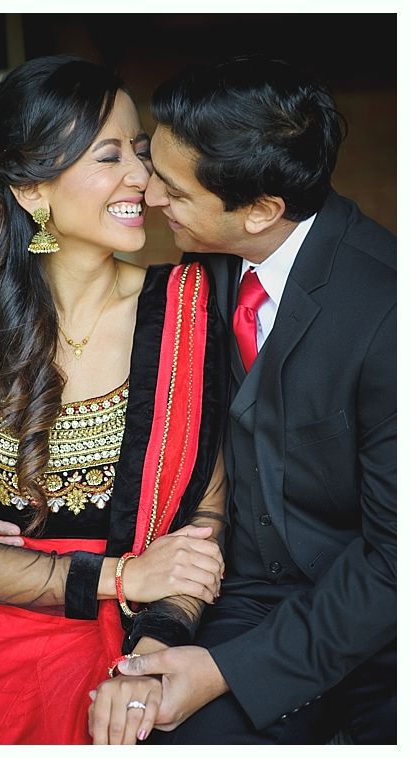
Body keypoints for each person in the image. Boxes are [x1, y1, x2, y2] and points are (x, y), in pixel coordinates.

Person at [0, 55, 230, 745]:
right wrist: (120, 575)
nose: (141, 177)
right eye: (109, 156)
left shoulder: (189, 308)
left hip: (149, 633)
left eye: (139, 151)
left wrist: (153, 650)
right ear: (32, 190)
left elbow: (203, 528)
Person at [101, 55, 395, 744]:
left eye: (174, 188)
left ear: (261, 210)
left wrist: (225, 670)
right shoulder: (204, 267)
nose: (148, 195)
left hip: (377, 625)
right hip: (242, 597)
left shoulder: (388, 310)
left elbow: (394, 562)